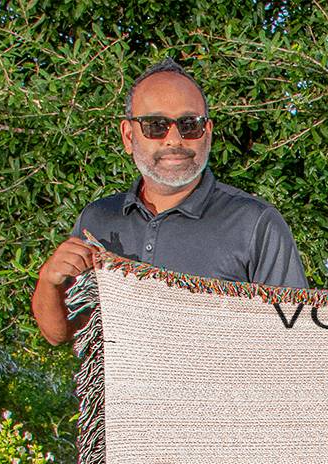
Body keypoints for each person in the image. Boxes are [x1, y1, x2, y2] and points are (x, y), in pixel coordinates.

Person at [32, 57, 308, 347]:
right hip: (120, 380)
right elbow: (60, 334)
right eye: (156, 125)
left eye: (190, 125)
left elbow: (294, 340)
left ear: (208, 132)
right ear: (128, 136)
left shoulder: (255, 224)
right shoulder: (98, 219)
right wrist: (49, 280)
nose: (174, 139)